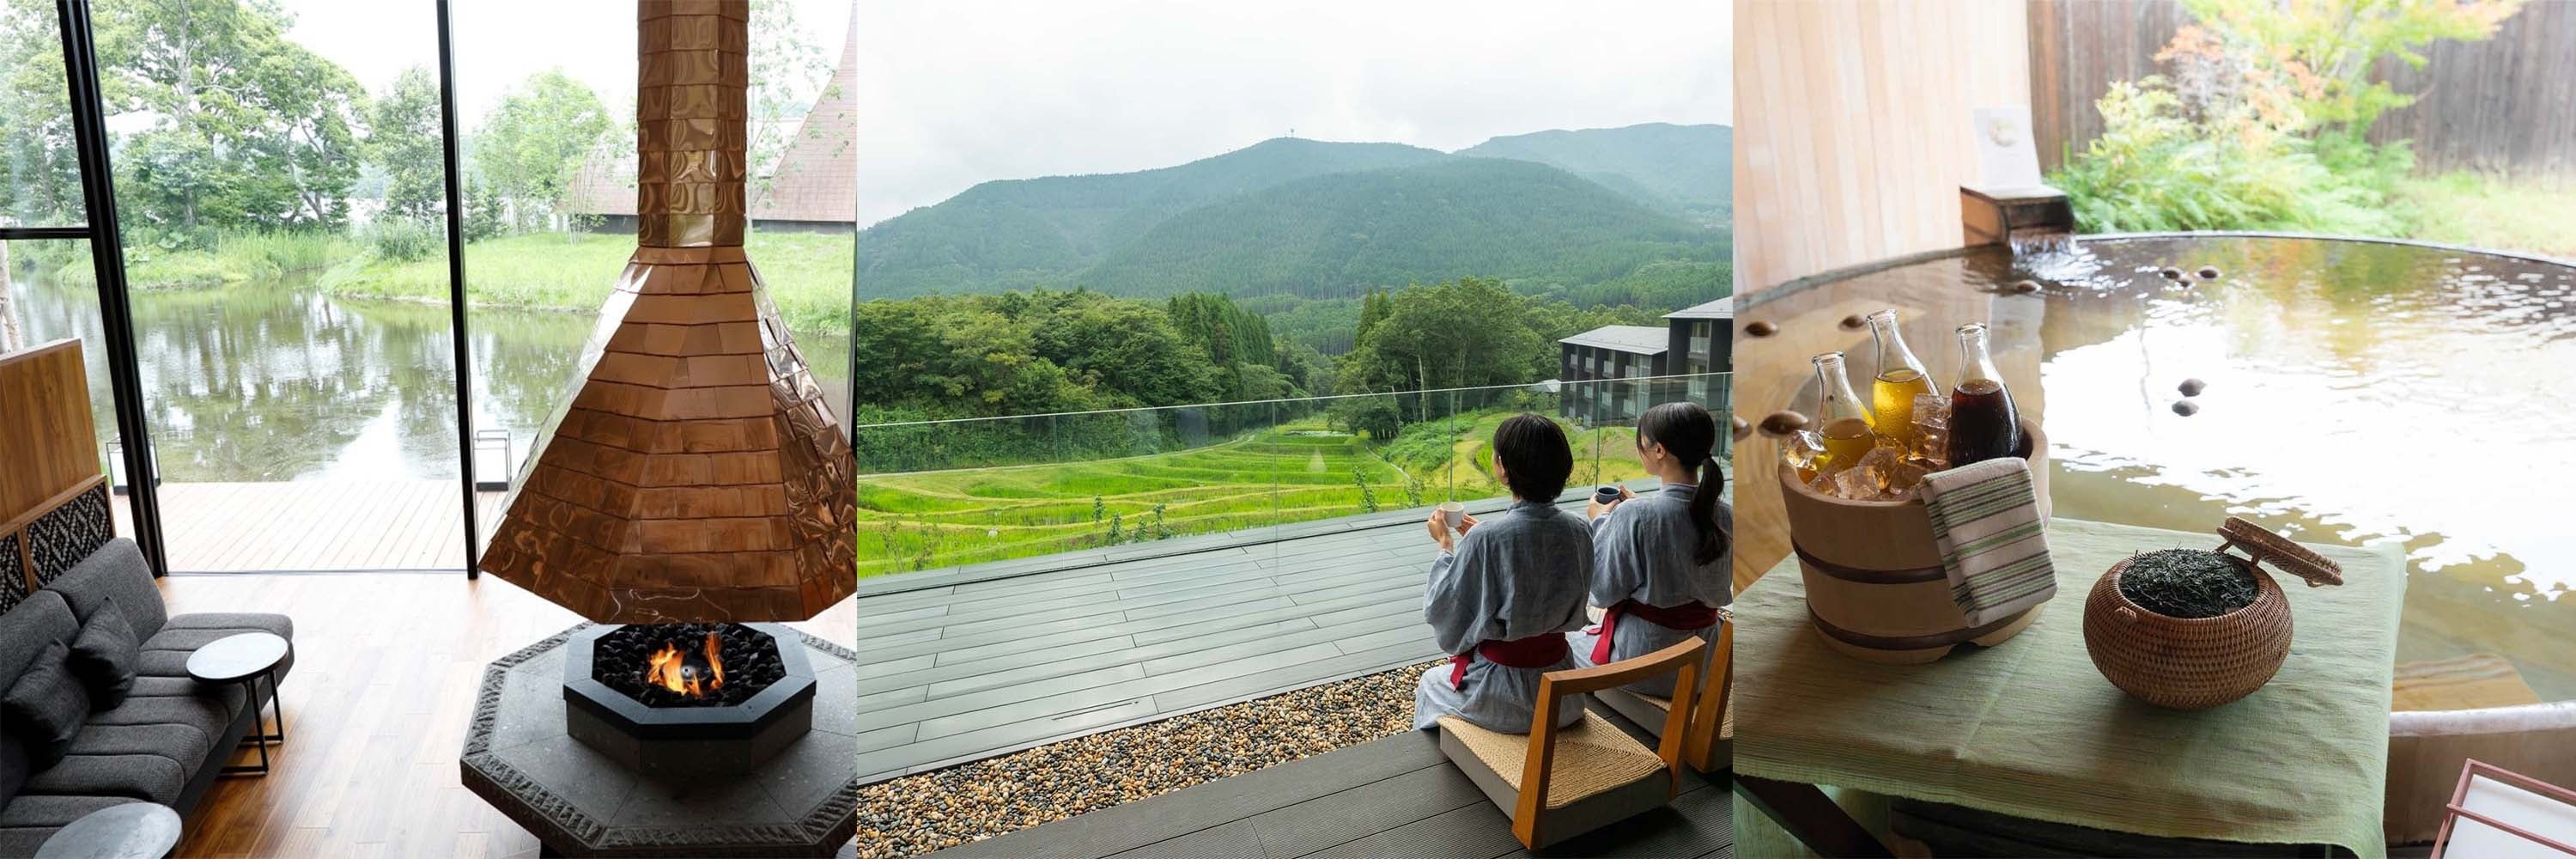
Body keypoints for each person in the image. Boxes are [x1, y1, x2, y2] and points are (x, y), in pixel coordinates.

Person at [1413, 413, 1594, 733]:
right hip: (1563, 693)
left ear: (1502, 467)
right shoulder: (1580, 528)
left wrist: (1445, 546)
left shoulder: (1488, 539)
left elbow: (1445, 615)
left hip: (1506, 696)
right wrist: (1486, 541)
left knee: (1430, 683)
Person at [1566, 401, 1731, 698]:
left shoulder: (1636, 514)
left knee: (1562, 651)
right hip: (1706, 661)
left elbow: (1603, 591)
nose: (1639, 448)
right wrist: (1635, 511)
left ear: (1659, 451)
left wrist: (1602, 520)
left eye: (1642, 442)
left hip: (1648, 663)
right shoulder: (1726, 514)